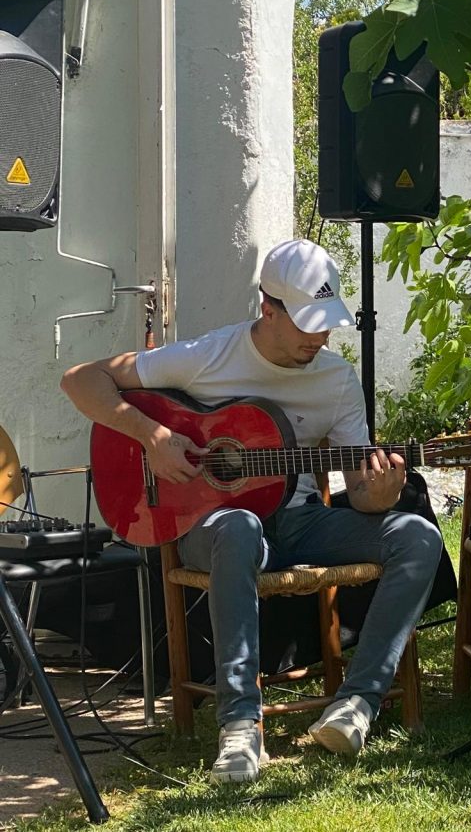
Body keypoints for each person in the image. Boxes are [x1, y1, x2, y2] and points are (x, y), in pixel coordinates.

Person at [61, 239, 442, 782]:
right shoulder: (208, 355)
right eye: (307, 322)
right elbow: (80, 380)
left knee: (419, 535)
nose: (319, 336)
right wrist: (152, 436)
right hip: (213, 527)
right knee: (238, 526)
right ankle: (240, 726)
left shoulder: (336, 380)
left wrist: (379, 495)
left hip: (301, 522)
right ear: (269, 309)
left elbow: (360, 491)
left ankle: (356, 704)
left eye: (327, 324)